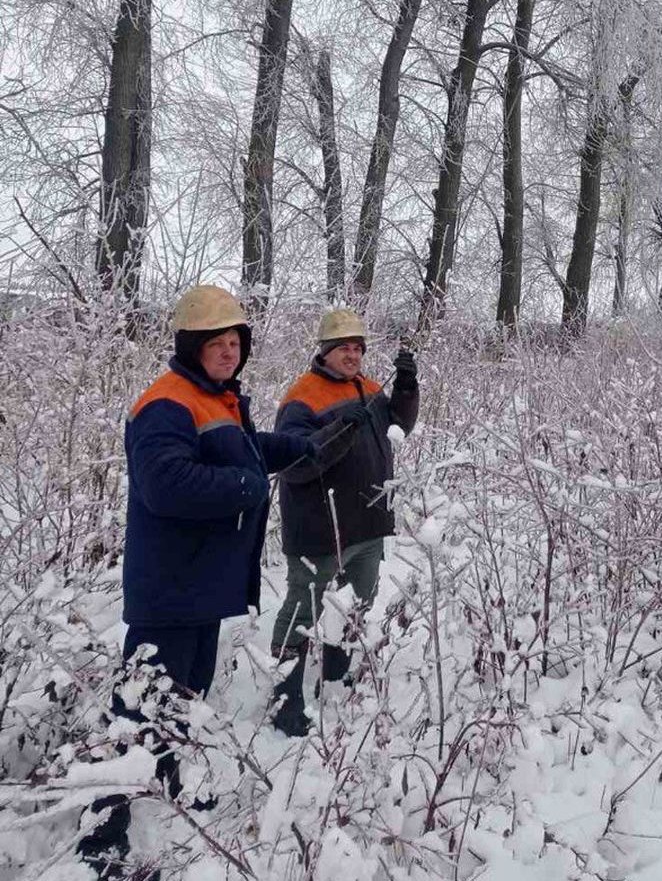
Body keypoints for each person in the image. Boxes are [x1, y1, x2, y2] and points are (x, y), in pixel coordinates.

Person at [77, 285, 316, 878]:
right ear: (192, 347)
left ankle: (172, 777)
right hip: (170, 588)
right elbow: (167, 484)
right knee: (138, 709)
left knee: (186, 697)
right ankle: (101, 832)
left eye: (236, 342)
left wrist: (297, 449)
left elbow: (241, 450)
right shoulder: (167, 403)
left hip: (201, 587)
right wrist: (248, 486)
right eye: (217, 343)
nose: (229, 352)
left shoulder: (216, 399)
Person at [269, 309, 419, 736]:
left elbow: (399, 426)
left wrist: (405, 387)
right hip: (321, 531)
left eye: (358, 348)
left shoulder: (368, 387)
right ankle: (285, 698)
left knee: (357, 604)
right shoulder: (302, 398)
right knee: (302, 610)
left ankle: (335, 678)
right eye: (344, 348)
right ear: (325, 351)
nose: (353, 355)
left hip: (367, 524)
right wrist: (337, 431)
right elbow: (294, 465)